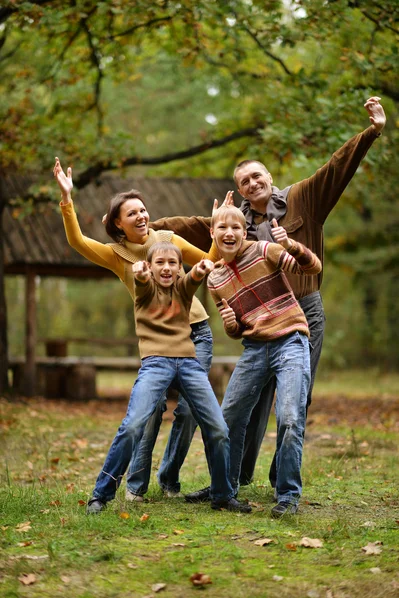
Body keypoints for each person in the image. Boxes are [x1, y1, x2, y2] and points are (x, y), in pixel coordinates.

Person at [150, 96, 386, 491]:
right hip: (259, 320)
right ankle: (238, 476)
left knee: (298, 398)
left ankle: (283, 475)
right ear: (239, 189)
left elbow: (336, 168)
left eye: (257, 177)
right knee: (253, 402)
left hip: (303, 313)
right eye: (245, 181)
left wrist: (372, 132)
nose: (252, 184)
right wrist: (140, 226)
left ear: (269, 177)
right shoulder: (235, 221)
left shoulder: (301, 198)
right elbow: (190, 226)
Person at [53, 157, 218, 502]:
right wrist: (67, 200)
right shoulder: (116, 255)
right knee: (151, 410)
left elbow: (209, 260)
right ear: (117, 223)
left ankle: (170, 478)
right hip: (157, 342)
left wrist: (218, 232)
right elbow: (79, 242)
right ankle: (136, 486)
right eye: (132, 214)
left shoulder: (168, 238)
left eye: (143, 210)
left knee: (189, 411)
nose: (142, 217)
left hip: (195, 332)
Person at [85, 240, 251, 514]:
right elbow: (141, 283)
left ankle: (222, 495)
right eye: (159, 263)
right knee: (133, 425)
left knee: (219, 429)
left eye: (172, 263)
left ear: (178, 268)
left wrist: (200, 269)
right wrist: (139, 274)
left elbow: (193, 279)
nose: (166, 268)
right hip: (156, 363)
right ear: (150, 267)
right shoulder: (145, 290)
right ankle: (101, 494)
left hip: (188, 363)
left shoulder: (183, 290)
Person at [199, 205, 321, 517]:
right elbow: (237, 329)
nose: (229, 233)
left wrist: (291, 244)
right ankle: (224, 488)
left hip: (291, 340)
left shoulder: (265, 250)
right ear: (212, 234)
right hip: (255, 348)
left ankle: (288, 495)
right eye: (222, 228)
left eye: (236, 228)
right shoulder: (214, 280)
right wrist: (230, 324)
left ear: (244, 232)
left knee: (290, 417)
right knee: (227, 419)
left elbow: (313, 268)